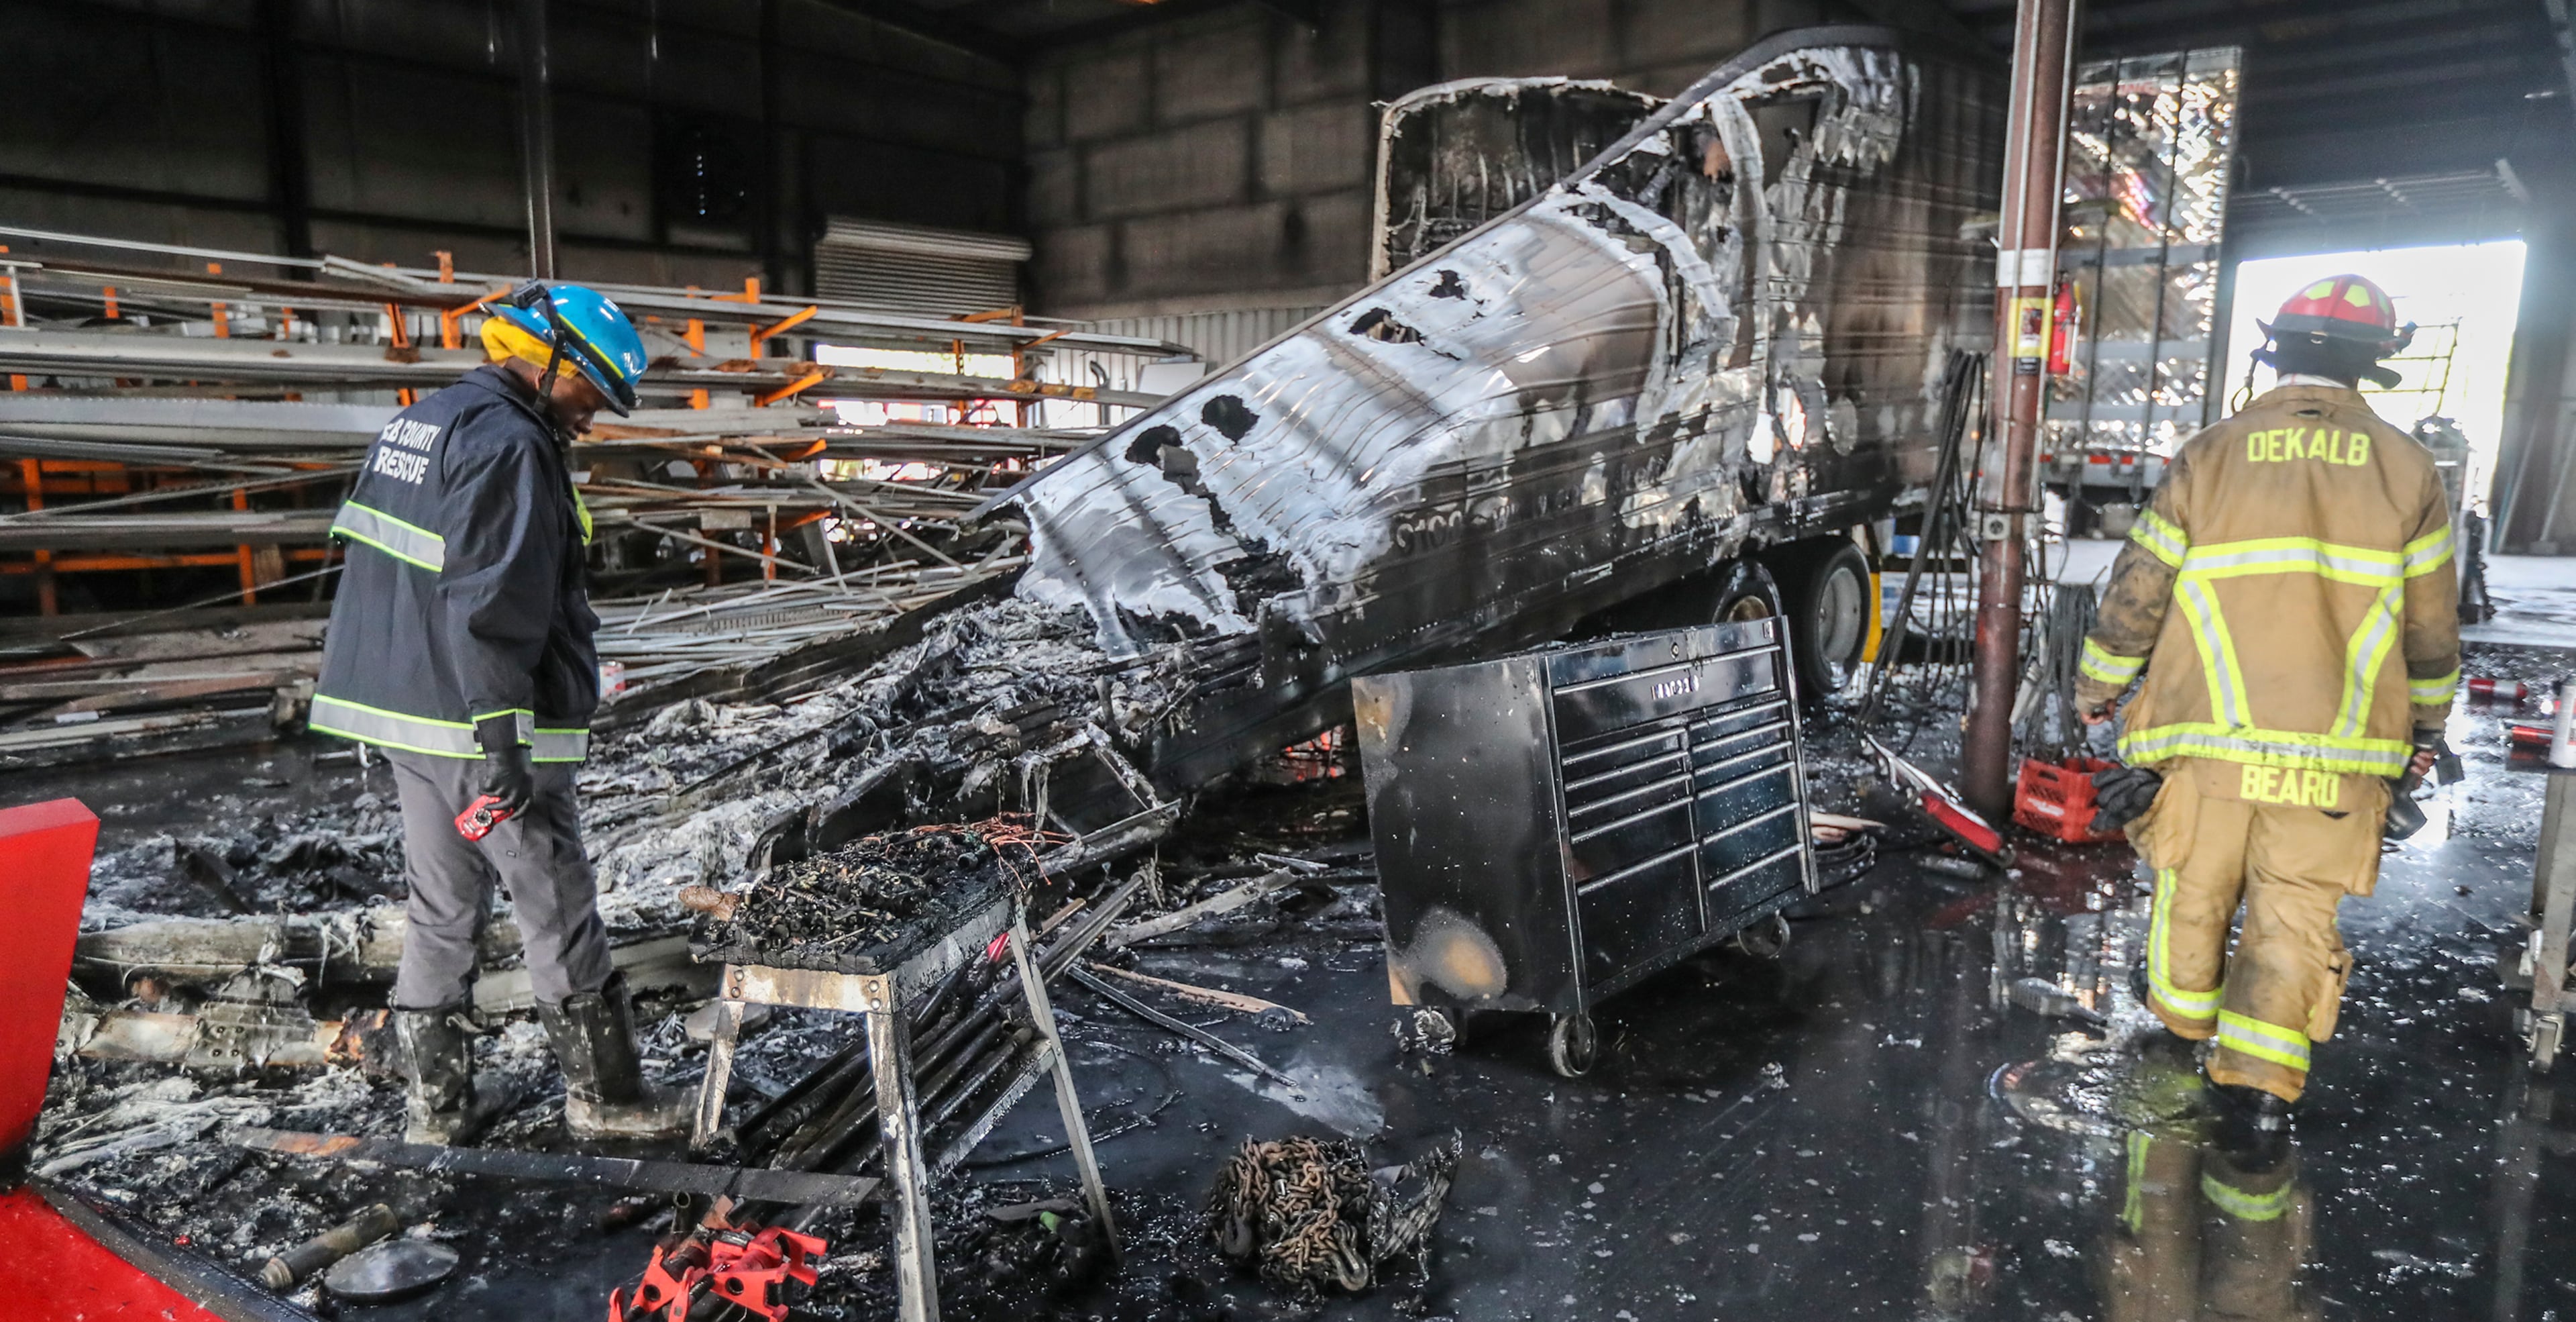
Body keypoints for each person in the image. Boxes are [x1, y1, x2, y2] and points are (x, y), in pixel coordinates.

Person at [2074, 272, 2459, 1154]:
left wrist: (2098, 691)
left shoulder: (2211, 454)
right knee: (2294, 918)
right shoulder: (2409, 469)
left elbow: (2138, 592)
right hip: (2339, 758)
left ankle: (2181, 1031)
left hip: (2207, 745)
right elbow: (2432, 626)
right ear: (2374, 364)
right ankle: (2258, 1097)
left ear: (2274, 352)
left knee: (2193, 893)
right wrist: (2427, 730)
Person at [312, 281, 690, 1146]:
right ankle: (608, 1100)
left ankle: (436, 1113)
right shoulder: (514, 445)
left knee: (441, 908)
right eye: (590, 391)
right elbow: (491, 604)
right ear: (547, 360)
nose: (592, 415)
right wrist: (504, 743)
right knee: (554, 897)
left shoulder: (423, 422)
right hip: (476, 723)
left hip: (409, 715)